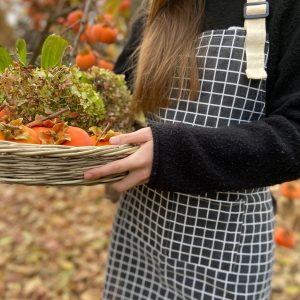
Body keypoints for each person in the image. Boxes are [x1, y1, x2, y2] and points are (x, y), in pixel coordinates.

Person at [84, 0, 300, 299]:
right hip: (140, 231)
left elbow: (295, 134)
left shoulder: (283, 7)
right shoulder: (157, 8)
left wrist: (174, 153)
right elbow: (119, 98)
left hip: (226, 249)